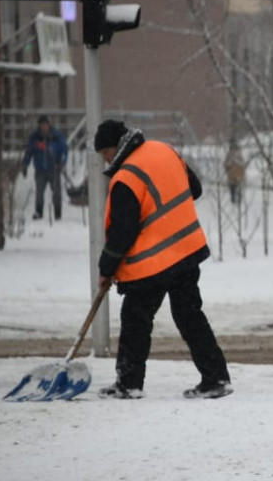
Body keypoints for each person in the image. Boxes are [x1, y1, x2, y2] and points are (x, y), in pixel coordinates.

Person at [92, 119, 232, 400]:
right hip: (187, 250)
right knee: (190, 315)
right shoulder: (164, 150)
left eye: (105, 153)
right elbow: (195, 189)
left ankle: (129, 383)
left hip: (153, 262)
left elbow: (122, 232)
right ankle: (216, 377)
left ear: (114, 147)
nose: (105, 159)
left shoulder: (126, 177)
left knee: (135, 319)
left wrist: (106, 269)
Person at [21, 115, 68, 220]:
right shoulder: (35, 137)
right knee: (39, 193)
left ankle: (58, 213)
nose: (44, 127)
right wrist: (25, 164)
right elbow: (29, 152)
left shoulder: (56, 136)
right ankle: (39, 212)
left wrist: (62, 162)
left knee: (57, 193)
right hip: (40, 170)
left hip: (54, 169)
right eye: (42, 125)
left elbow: (64, 150)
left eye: (45, 125)